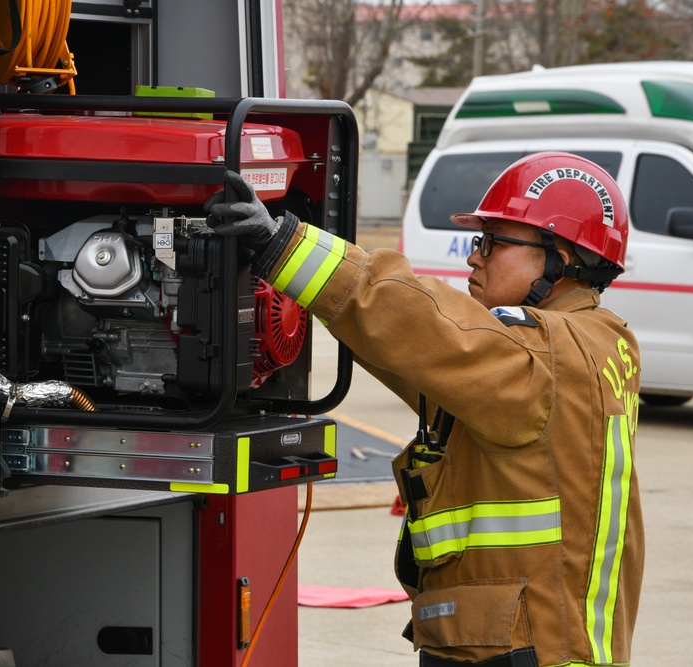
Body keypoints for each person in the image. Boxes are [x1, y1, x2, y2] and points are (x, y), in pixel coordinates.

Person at [205, 152, 644, 667]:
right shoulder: (594, 343)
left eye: (493, 242)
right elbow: (414, 352)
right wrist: (320, 294)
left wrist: (286, 248)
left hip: (527, 647)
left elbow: (430, 327)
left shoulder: (539, 355)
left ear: (563, 257)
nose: (473, 258)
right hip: (527, 640)